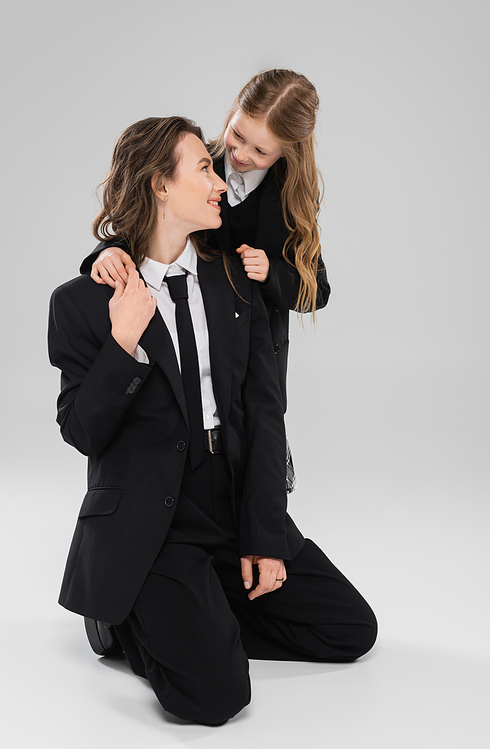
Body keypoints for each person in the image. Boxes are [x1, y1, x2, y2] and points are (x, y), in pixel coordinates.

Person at [49, 116, 376, 726]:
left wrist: (264, 535)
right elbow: (81, 431)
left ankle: (196, 613)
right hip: (154, 519)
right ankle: (124, 614)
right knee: (216, 696)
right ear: (159, 185)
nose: (222, 181)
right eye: (204, 168)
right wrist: (123, 345)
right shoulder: (83, 301)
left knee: (350, 628)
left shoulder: (234, 280)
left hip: (226, 498)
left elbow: (261, 412)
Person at [80, 70, 330, 487]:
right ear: (232, 114)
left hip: (255, 350)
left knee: (254, 464)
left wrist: (272, 273)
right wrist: (108, 250)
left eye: (261, 150)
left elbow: (316, 289)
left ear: (288, 151)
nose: (242, 154)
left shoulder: (292, 199)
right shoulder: (197, 166)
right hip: (193, 333)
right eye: (238, 136)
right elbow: (145, 214)